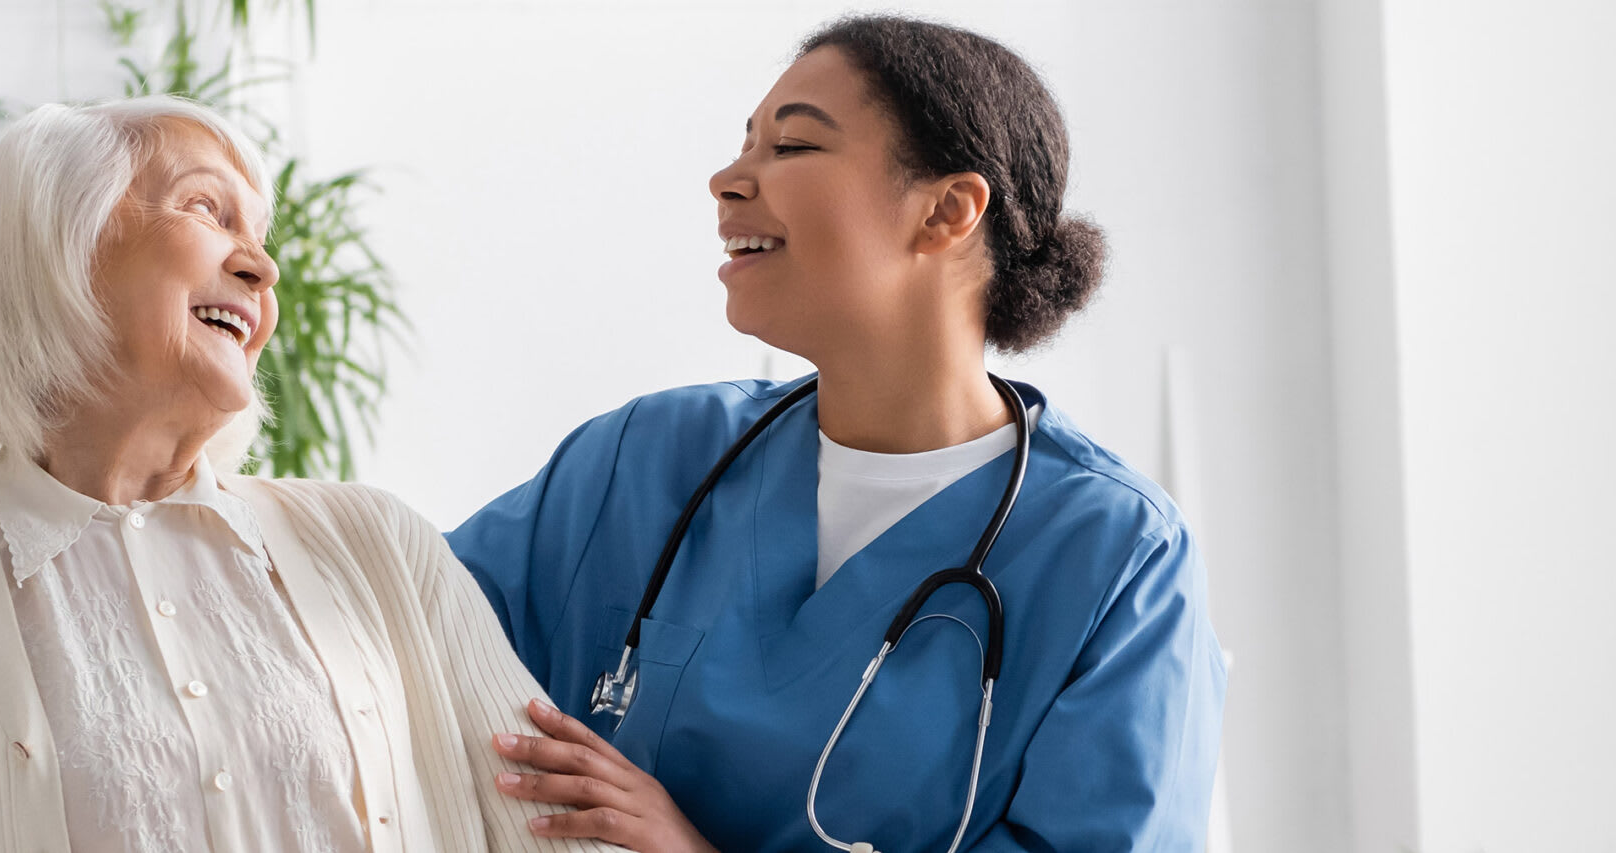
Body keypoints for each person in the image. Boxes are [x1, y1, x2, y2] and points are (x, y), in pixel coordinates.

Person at [449, 15, 1227, 853]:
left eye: (790, 148)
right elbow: (385, 627)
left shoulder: (1115, 557)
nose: (727, 179)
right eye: (744, 144)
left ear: (947, 210)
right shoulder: (648, 458)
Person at [0, 96, 623, 853]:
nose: (262, 269)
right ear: (59, 241)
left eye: (260, 237)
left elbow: (567, 832)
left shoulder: (379, 542)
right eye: (206, 208)